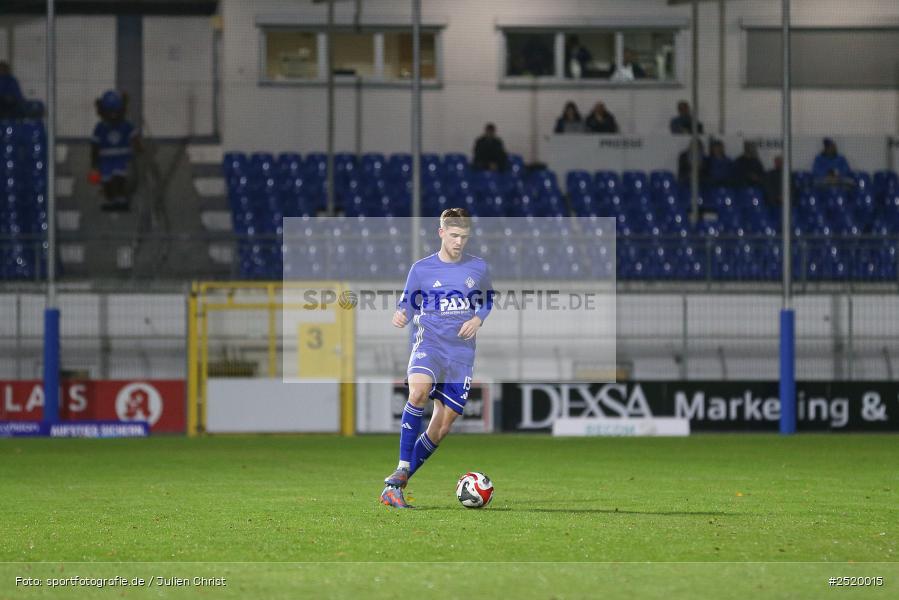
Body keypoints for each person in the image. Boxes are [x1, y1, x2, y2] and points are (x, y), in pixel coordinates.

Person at [380, 207, 494, 509]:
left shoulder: (478, 267)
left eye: (464, 237)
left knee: (442, 427)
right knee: (418, 391)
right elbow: (407, 303)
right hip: (429, 343)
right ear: (441, 232)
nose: (459, 242)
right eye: (454, 235)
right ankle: (401, 466)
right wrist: (401, 314)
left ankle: (394, 486)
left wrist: (478, 319)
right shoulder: (421, 269)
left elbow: (488, 299)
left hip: (461, 353)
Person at [90, 90, 141, 211]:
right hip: (105, 161)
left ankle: (121, 200)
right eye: (110, 111)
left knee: (119, 179)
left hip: (121, 159)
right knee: (107, 182)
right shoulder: (100, 127)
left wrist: (139, 149)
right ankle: (111, 200)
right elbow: (95, 146)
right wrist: (94, 163)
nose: (113, 115)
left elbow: (134, 138)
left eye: (116, 111)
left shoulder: (126, 125)